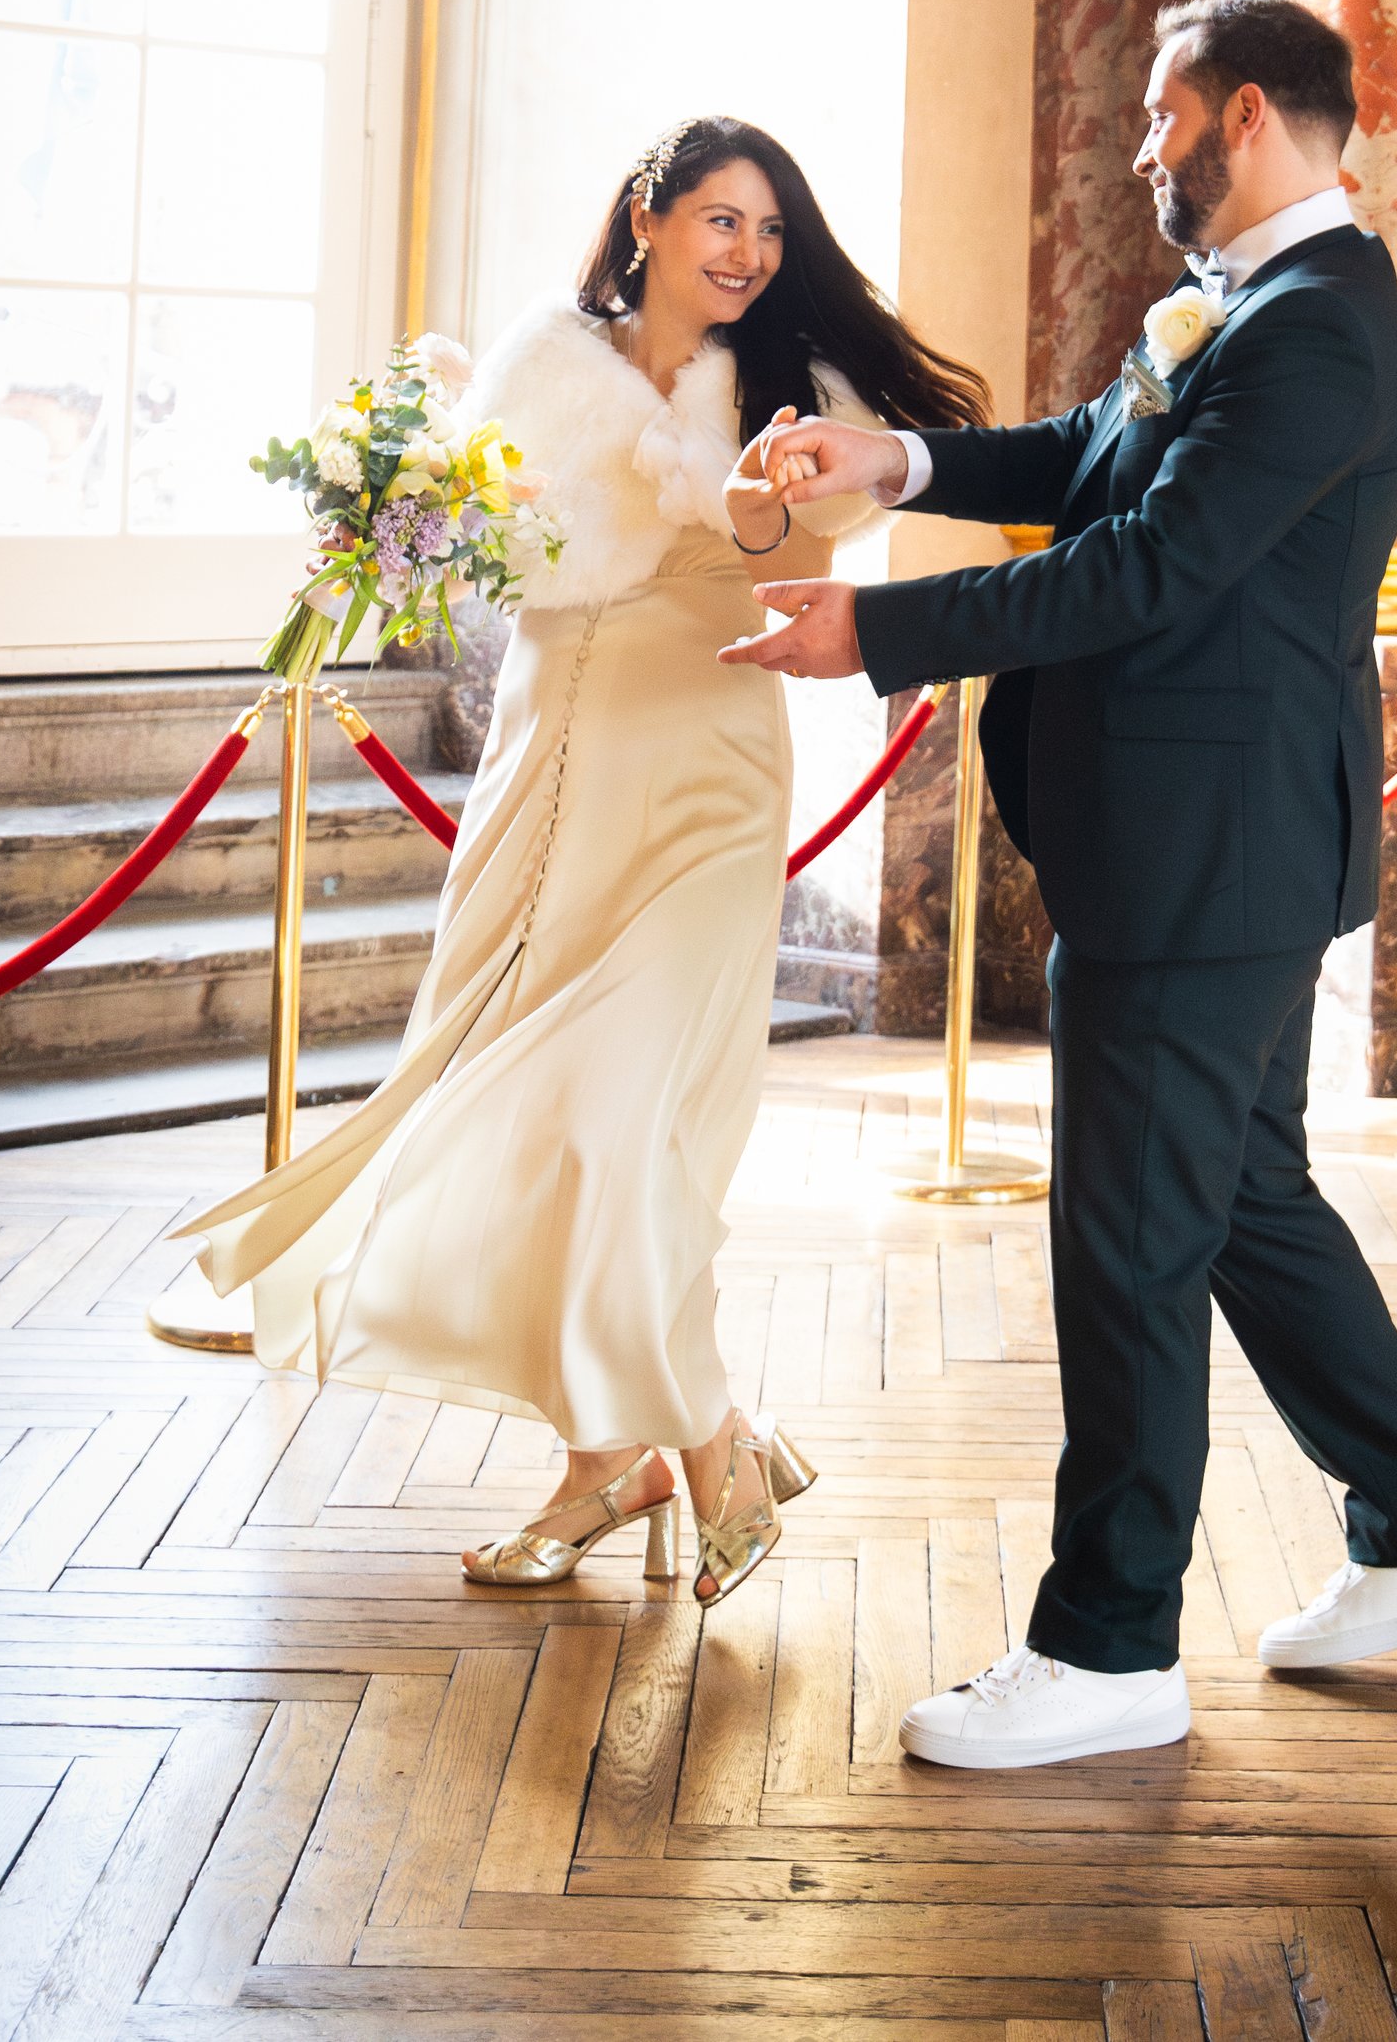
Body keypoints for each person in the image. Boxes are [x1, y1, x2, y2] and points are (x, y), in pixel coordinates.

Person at [725, 0, 1397, 1769]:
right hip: (1215, 843)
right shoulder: (1251, 310)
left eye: (1158, 115)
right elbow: (1096, 458)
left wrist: (879, 626)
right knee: (1241, 1201)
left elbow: (1147, 568)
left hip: (1201, 855)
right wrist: (906, 463)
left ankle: (1108, 1648)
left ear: (1245, 115)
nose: (1136, 147)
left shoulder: (1315, 329)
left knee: (1128, 1246)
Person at [178, 116, 987, 1607]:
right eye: (720, 221)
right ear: (650, 214)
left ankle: (683, 1438)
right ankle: (627, 1446)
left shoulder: (800, 396)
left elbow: (765, 531)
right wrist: (393, 510)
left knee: (636, 1117)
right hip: (550, 768)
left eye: (768, 230)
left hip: (708, 771)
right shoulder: (546, 359)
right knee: (541, 1116)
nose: (745, 252)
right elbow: (483, 536)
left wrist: (744, 489)